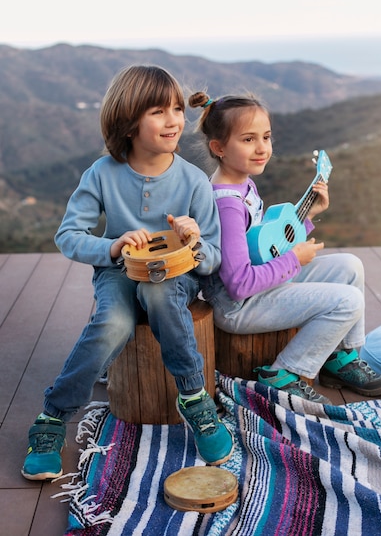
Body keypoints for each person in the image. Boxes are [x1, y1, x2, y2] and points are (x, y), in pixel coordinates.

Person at [21, 66, 233, 481]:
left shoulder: (193, 181)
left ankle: (193, 397)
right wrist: (113, 246)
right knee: (112, 322)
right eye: (158, 111)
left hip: (176, 276)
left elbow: (214, 258)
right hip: (118, 270)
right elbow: (68, 236)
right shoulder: (101, 173)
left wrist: (194, 242)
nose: (174, 120)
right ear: (129, 120)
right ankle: (52, 417)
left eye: (176, 108)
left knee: (157, 294)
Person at [190, 90, 381, 404]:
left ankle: (340, 357)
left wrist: (308, 216)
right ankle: (283, 373)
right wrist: (295, 260)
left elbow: (261, 246)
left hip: (262, 283)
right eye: (248, 140)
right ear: (218, 147)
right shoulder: (227, 206)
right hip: (239, 307)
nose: (262, 149)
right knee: (347, 301)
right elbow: (240, 284)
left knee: (351, 266)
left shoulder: (242, 182)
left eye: (266, 137)